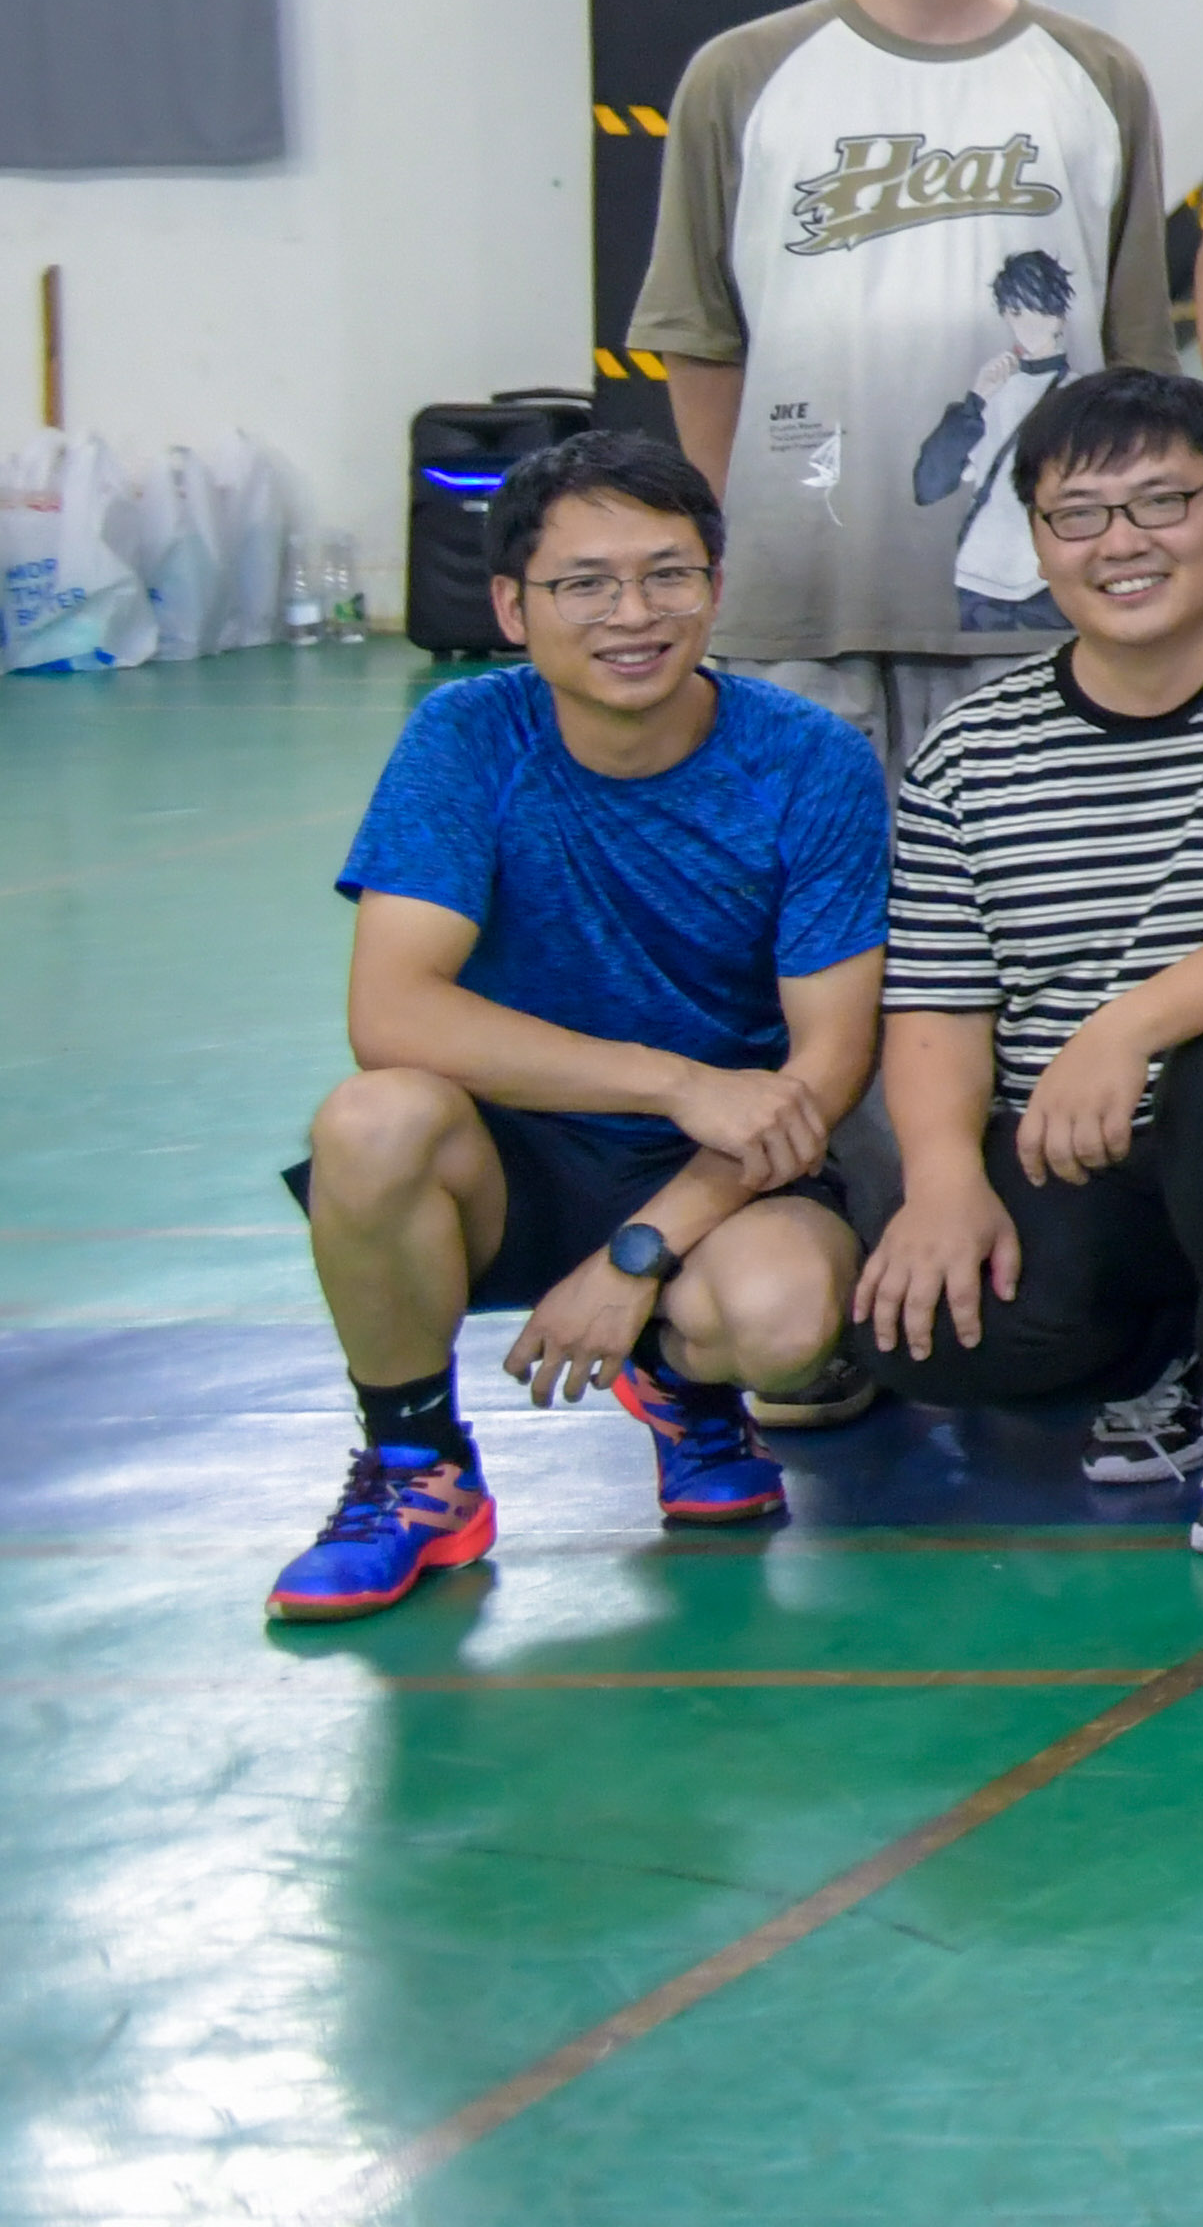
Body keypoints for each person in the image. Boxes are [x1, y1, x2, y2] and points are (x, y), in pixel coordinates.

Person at [263, 433, 886, 1624]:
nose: (632, 613)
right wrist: (674, 1079)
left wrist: (635, 1255)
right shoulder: (467, 737)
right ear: (512, 605)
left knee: (782, 1318)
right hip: (520, 1149)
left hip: (731, 1168)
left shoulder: (808, 759)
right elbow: (391, 1012)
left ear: (715, 585)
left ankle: (679, 1382)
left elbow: (828, 1063)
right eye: (585, 582)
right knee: (372, 1118)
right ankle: (417, 1467)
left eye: (668, 574)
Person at [837, 371, 1203, 1560]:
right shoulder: (969, 749)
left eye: (1162, 501)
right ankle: (1171, 1348)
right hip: (1078, 1144)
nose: (1122, 542)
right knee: (924, 1334)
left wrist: (1125, 1027)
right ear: (1036, 537)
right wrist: (942, 1178)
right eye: (1079, 514)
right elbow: (940, 1001)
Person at [628, 0, 1178, 765]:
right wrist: (733, 539)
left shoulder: (1095, 75)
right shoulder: (740, 74)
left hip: (1039, 595)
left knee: (1023, 862)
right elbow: (697, 333)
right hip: (802, 602)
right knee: (815, 868)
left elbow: (1138, 348)